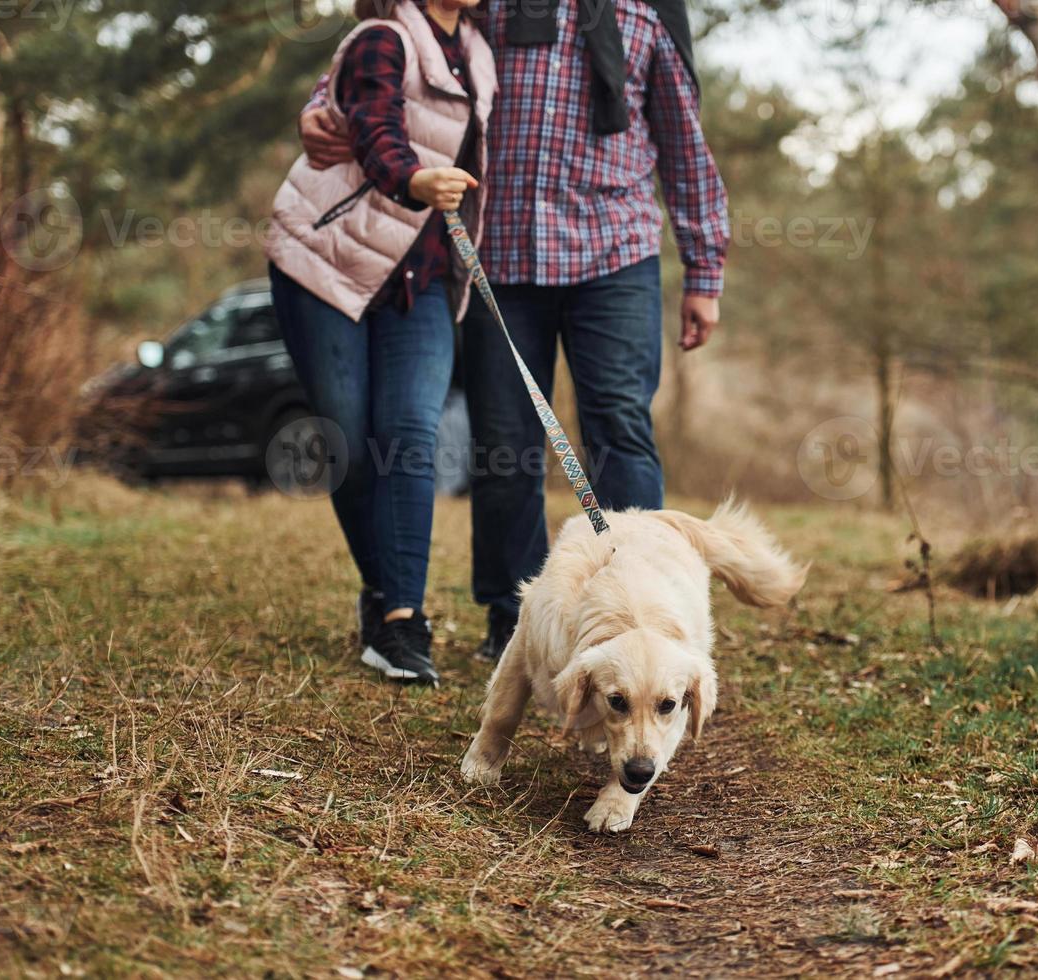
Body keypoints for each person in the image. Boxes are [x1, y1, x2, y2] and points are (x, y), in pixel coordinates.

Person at [300, 0, 729, 663]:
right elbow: (392, 56)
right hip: (500, 258)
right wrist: (317, 109)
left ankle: (640, 613)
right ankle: (515, 617)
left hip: (614, 255)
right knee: (504, 447)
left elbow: (683, 146)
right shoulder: (489, 9)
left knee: (620, 428)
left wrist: (704, 271)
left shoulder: (642, 17)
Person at [265, 0, 495, 686]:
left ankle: (401, 621)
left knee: (410, 434)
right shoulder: (381, 38)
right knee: (348, 435)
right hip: (327, 263)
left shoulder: (482, 54)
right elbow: (373, 125)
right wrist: (415, 180)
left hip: (421, 277)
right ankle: (382, 590)